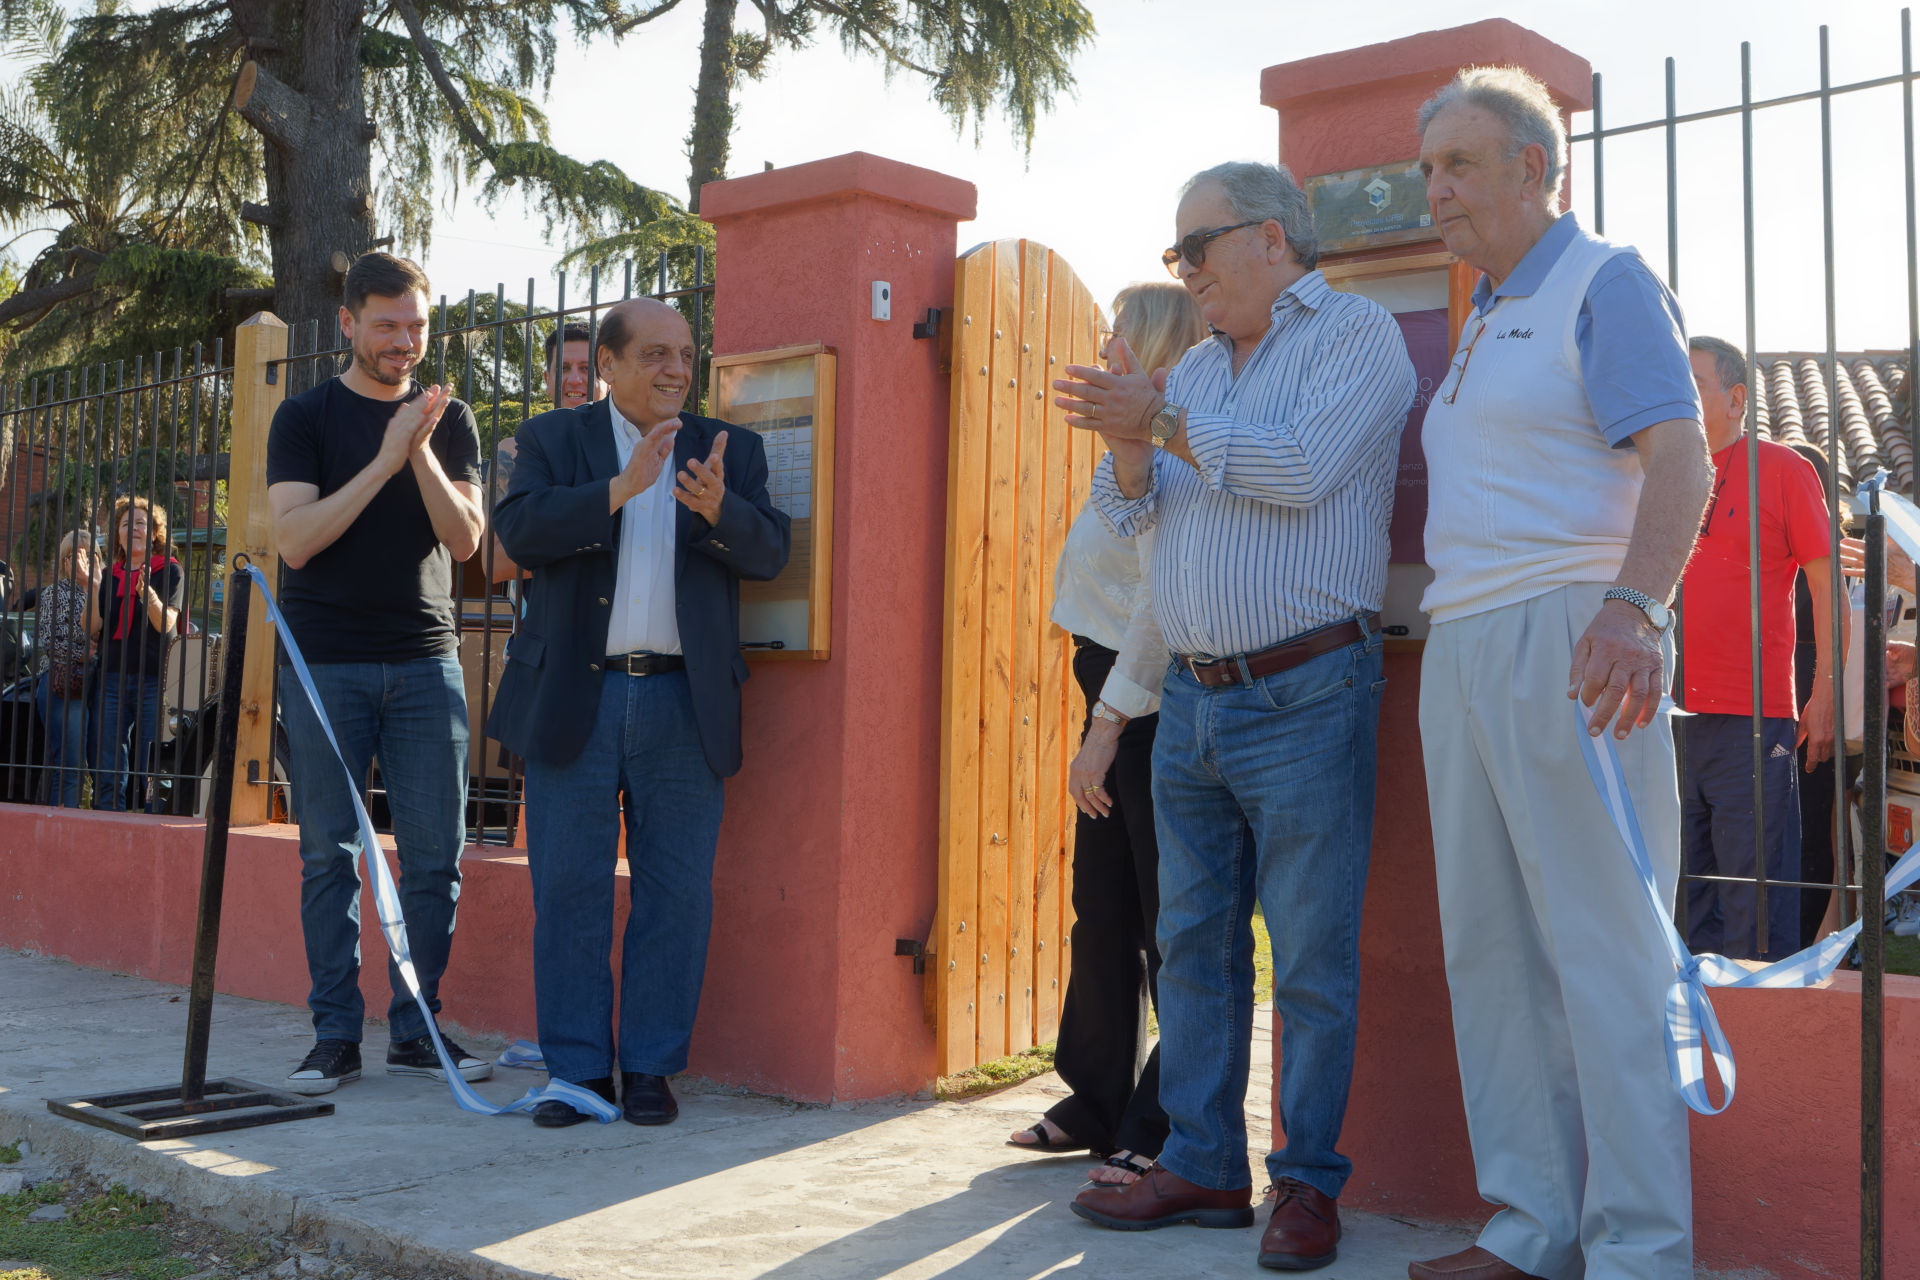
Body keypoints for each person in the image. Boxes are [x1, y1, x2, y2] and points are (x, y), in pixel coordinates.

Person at [1053, 160, 1415, 1272]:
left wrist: (1156, 417)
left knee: (1309, 955)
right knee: (1194, 948)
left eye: (1194, 249)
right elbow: (1138, 515)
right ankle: (1207, 1161)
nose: (1184, 273)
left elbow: (1299, 471)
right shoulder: (1201, 364)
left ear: (1269, 236)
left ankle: (1307, 1182)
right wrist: (1128, 439)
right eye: (1176, 255)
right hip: (1196, 698)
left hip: (1309, 689)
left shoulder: (1355, 335)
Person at [1410, 67, 1712, 1280]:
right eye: (1430, 168)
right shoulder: (1482, 313)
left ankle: (1640, 1251)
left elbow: (1681, 458)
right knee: (1489, 948)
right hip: (1464, 640)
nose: (1436, 191)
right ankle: (1531, 1228)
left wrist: (1637, 607)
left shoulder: (1606, 280)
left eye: (1462, 165)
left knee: (1605, 952)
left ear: (1537, 168)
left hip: (1574, 633)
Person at [488, 297, 790, 1128]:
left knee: (677, 893)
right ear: (610, 366)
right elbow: (513, 533)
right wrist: (619, 491)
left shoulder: (731, 451)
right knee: (570, 889)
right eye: (656, 353)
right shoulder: (554, 442)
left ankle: (652, 1068)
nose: (677, 370)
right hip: (573, 698)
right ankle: (579, 1072)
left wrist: (717, 511)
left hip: (684, 702)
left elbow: (771, 552)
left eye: (687, 354)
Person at [265, 251, 491, 1096]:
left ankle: (416, 1025)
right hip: (326, 663)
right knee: (329, 853)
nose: (405, 342)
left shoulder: (450, 419)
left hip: (427, 662)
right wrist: (385, 457)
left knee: (437, 855)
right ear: (349, 324)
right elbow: (296, 540)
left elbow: (465, 543)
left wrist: (420, 451)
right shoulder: (306, 418)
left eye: (418, 327)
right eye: (388, 325)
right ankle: (333, 1038)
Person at [1006, 282, 1204, 1184]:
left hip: (1149, 698)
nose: (1100, 347)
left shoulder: (1187, 445)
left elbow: (1163, 603)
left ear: (1154, 348)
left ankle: (1159, 1117)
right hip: (1106, 683)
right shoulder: (1120, 456)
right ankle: (1092, 1096)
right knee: (1105, 907)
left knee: (1174, 917)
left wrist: (1106, 727)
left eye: (1115, 335)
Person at [1676, 336, 1841, 962]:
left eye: (1692, 380)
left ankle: (1761, 1049)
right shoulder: (1656, 472)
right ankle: (1692, 1044)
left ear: (1736, 397)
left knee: (1757, 906)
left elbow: (1828, 588)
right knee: (1680, 900)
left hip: (1754, 720)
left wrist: (1823, 694)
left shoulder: (1784, 469)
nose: (1677, 392)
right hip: (1664, 719)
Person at [489, 322, 607, 585]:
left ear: (609, 374)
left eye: (587, 369)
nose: (575, 379)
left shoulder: (637, 449)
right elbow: (496, 563)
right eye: (564, 368)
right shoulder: (513, 451)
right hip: (541, 619)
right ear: (547, 379)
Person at [91, 496, 184, 812]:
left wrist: (149, 596)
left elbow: (168, 623)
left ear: (155, 532)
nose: (134, 528)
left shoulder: (170, 571)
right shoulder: (109, 575)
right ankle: (106, 821)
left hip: (154, 682)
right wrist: (91, 585)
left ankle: (149, 825)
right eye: (126, 523)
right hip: (111, 679)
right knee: (108, 765)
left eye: (141, 523)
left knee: (152, 768)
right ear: (117, 534)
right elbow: (93, 630)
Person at [34, 530, 98, 807]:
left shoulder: (104, 590)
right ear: (64, 562)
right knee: (70, 766)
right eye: (75, 555)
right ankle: (61, 827)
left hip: (102, 685)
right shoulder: (54, 594)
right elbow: (47, 641)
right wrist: (85, 654)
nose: (83, 560)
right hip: (64, 684)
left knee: (104, 766)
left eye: (89, 554)